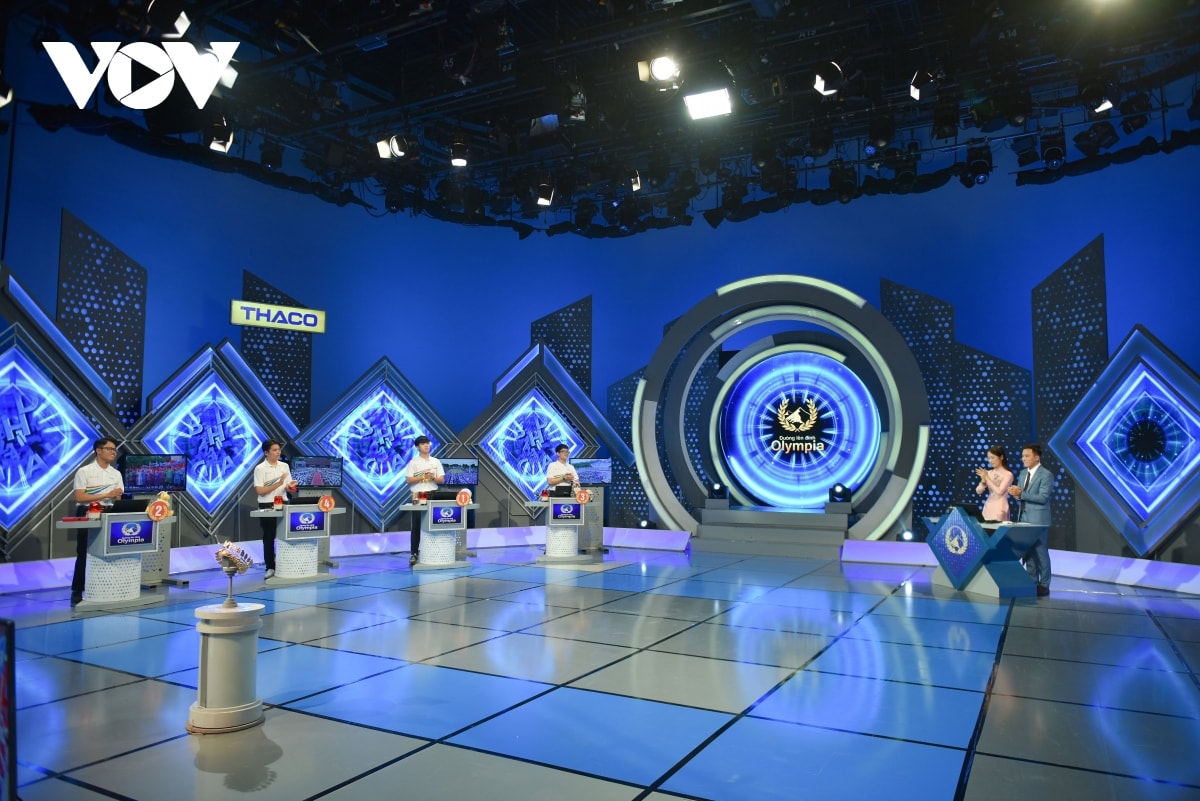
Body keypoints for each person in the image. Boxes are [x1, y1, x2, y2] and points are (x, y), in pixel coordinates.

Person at [71, 437, 125, 605]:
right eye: (109, 449)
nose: (113, 452)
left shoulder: (116, 474)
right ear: (98, 451)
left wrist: (115, 497)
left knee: (109, 551)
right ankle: (77, 590)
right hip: (87, 512)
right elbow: (80, 496)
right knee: (83, 552)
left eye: (114, 449)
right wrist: (106, 494)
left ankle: (107, 588)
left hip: (109, 512)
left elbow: (118, 497)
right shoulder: (84, 472)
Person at [1008, 443, 1055, 596]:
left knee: (1041, 552)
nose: (1024, 458)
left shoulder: (1046, 474)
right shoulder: (1023, 473)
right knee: (1028, 552)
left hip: (1039, 520)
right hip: (1024, 518)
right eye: (1023, 456)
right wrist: (1016, 494)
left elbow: (1042, 498)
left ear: (1036, 457)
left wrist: (1021, 494)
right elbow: (1021, 496)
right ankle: (1032, 581)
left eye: (1027, 456)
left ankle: (1044, 584)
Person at [253, 439, 296, 579]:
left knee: (286, 535)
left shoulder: (284, 466)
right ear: (266, 453)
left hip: (283, 503)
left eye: (279, 450)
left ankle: (286, 564)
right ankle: (270, 567)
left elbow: (287, 486)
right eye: (275, 450)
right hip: (267, 505)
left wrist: (290, 486)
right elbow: (260, 491)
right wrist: (279, 482)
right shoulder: (260, 469)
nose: (278, 452)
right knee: (269, 537)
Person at [405, 435, 444, 565]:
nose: (426, 445)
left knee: (435, 522)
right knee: (416, 524)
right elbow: (409, 480)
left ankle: (435, 551)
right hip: (418, 494)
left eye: (427, 443)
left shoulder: (436, 461)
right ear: (417, 447)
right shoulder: (413, 463)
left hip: (433, 493)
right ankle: (414, 553)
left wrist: (433, 477)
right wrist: (423, 477)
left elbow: (441, 479)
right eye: (423, 444)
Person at [974, 445, 1013, 521]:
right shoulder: (988, 473)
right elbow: (978, 491)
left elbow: (999, 492)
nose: (990, 461)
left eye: (992, 458)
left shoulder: (1008, 474)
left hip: (1000, 507)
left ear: (1001, 457)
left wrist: (987, 478)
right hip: (988, 506)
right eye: (989, 458)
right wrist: (983, 481)